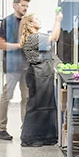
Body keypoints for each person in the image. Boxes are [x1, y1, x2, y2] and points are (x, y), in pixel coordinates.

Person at [19, 10, 63, 147]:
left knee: (46, 106)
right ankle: (29, 138)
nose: (39, 20)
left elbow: (54, 38)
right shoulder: (33, 38)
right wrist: (58, 20)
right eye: (36, 19)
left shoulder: (37, 36)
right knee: (36, 107)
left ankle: (46, 137)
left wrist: (58, 22)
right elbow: (54, 37)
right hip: (38, 74)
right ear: (30, 24)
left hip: (43, 73)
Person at [0, 0, 31, 141]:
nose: (25, 8)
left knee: (26, 98)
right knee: (6, 97)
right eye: (23, 5)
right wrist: (18, 46)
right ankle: (1, 129)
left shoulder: (27, 22)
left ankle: (25, 129)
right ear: (15, 5)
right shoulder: (7, 22)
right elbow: (0, 44)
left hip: (26, 66)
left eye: (27, 6)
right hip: (12, 65)